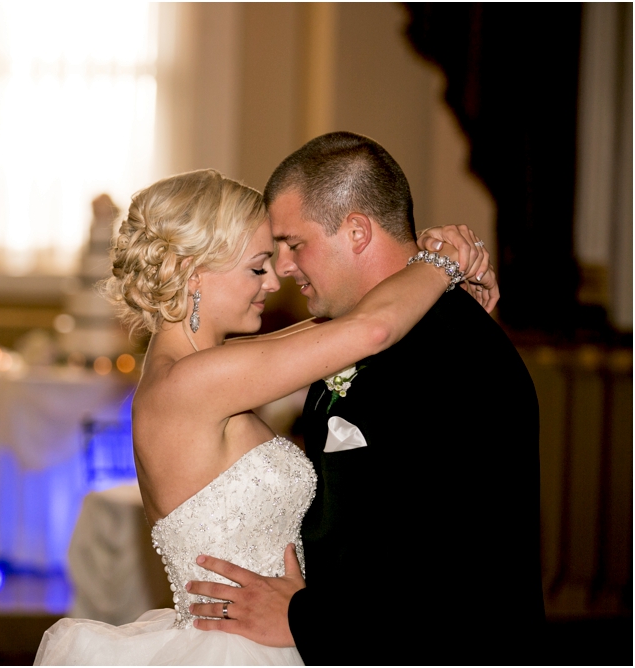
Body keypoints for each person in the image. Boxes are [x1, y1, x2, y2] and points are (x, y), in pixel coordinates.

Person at [35, 167, 494, 665]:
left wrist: (420, 274)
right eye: (258, 267)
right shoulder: (190, 384)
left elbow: (334, 325)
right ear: (195, 274)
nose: (275, 281)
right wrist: (441, 262)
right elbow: (370, 330)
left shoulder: (197, 371)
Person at [186, 132, 544, 665]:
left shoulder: (444, 352)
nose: (282, 268)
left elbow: (454, 576)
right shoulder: (350, 338)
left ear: (355, 230)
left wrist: (302, 618)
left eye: (293, 243)